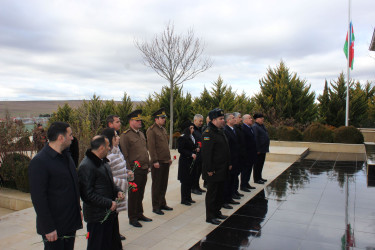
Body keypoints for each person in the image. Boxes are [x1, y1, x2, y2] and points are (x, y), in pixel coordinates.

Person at [29, 122, 82, 250]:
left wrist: (78, 209)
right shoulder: (40, 162)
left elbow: (72, 186)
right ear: (60, 138)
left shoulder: (66, 156)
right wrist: (48, 227)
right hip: (54, 227)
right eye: (70, 134)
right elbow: (38, 198)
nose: (72, 138)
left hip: (69, 222)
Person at [78, 135, 124, 250]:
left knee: (112, 244)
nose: (110, 148)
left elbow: (109, 182)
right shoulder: (86, 166)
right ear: (101, 148)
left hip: (109, 214)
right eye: (108, 146)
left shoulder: (103, 161)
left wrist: (117, 191)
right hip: (97, 216)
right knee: (98, 245)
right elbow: (87, 195)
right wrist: (108, 203)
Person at [120, 110, 153, 227]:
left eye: (140, 120)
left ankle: (139, 213)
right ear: (131, 121)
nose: (140, 122)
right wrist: (129, 171)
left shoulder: (141, 134)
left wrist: (148, 165)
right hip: (134, 170)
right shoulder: (125, 135)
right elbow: (125, 154)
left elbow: (144, 151)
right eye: (137, 120)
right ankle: (132, 217)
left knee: (141, 193)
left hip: (143, 168)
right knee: (134, 195)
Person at [102, 128, 134, 241]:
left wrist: (127, 173)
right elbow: (106, 177)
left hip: (119, 188)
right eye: (116, 136)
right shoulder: (107, 155)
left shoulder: (117, 150)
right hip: (113, 189)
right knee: (111, 214)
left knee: (115, 214)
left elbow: (121, 167)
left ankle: (115, 233)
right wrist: (122, 182)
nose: (118, 137)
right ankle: (112, 235)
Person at [202, 108, 231, 225]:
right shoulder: (208, 133)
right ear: (213, 120)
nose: (223, 120)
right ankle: (210, 216)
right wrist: (209, 169)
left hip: (222, 168)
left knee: (220, 192)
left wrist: (228, 163)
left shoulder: (220, 131)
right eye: (220, 119)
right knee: (212, 194)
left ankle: (217, 212)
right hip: (213, 170)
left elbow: (225, 149)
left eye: (223, 118)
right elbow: (207, 154)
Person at [146, 108, 173, 215]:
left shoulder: (163, 129)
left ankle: (162, 203)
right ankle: (156, 206)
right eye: (162, 118)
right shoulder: (151, 130)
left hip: (165, 160)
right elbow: (151, 148)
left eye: (164, 118)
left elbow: (165, 146)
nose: (164, 120)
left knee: (163, 184)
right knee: (157, 184)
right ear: (156, 119)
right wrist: (154, 161)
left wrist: (169, 157)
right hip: (158, 162)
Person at [178, 122, 199, 205]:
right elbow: (181, 149)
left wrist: (196, 148)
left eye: (193, 128)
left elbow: (192, 146)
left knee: (190, 179)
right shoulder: (182, 137)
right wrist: (190, 154)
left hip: (191, 161)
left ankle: (189, 197)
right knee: (185, 181)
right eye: (191, 128)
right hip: (185, 162)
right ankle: (184, 199)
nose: (192, 130)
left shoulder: (192, 137)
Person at [223, 113, 241, 207]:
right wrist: (229, 161)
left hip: (235, 159)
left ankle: (230, 197)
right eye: (233, 118)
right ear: (228, 120)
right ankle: (225, 200)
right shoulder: (226, 130)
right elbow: (227, 147)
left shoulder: (234, 130)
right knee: (228, 181)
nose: (235, 119)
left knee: (233, 179)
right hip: (230, 160)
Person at [240, 114, 257, 191]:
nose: (251, 119)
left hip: (251, 153)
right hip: (246, 154)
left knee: (249, 169)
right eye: (249, 118)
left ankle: (246, 183)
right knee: (245, 170)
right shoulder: (243, 128)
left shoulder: (250, 128)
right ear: (245, 120)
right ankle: (243, 185)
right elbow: (243, 142)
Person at [252, 113, 270, 184]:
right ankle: (256, 179)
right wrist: (257, 149)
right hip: (259, 150)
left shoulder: (262, 126)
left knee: (261, 164)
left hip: (263, 149)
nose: (262, 119)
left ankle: (260, 177)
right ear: (257, 119)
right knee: (257, 165)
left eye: (262, 117)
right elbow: (256, 138)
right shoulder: (255, 127)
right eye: (261, 118)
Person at [191, 114, 205, 195]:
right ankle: (193, 187)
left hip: (200, 155)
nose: (201, 123)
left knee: (199, 171)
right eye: (200, 121)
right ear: (195, 120)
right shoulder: (192, 130)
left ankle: (197, 186)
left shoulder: (200, 130)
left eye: (202, 121)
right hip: (195, 155)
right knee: (195, 172)